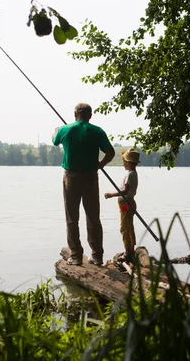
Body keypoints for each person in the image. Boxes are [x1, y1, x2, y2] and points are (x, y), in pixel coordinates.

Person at [53, 103, 115, 266]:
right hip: (91, 178)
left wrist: (56, 131)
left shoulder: (65, 130)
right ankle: (97, 256)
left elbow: (54, 141)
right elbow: (111, 153)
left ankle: (75, 256)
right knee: (93, 217)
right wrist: (100, 164)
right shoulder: (97, 131)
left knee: (72, 218)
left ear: (75, 114)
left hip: (71, 178)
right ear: (90, 115)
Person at [104, 148, 140, 263]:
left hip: (127, 204)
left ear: (128, 163)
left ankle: (128, 253)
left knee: (125, 228)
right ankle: (130, 250)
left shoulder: (130, 175)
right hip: (127, 204)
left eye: (124, 161)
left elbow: (125, 191)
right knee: (128, 227)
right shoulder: (132, 174)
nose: (123, 163)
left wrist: (111, 194)